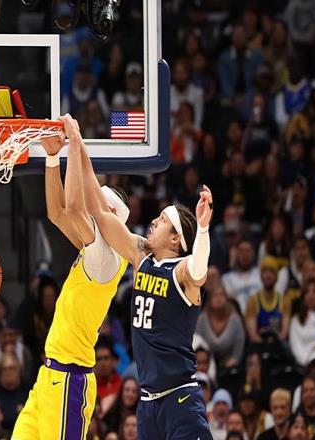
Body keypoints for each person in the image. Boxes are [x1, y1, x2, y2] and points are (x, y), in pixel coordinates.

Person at [75, 111, 213, 437]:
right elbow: (100, 213)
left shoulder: (182, 272)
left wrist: (203, 229)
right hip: (148, 403)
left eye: (162, 221)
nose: (153, 221)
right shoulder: (141, 256)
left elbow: (199, 270)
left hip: (180, 399)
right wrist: (79, 147)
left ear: (176, 239)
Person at [12, 114, 129, 439]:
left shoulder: (107, 257)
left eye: (98, 205)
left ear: (111, 216)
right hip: (49, 376)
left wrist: (75, 144)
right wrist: (52, 158)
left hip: (70, 380)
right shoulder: (93, 248)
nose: (92, 208)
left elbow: (75, 209)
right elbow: (57, 214)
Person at [196, 281, 246, 369]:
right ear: (209, 300)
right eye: (215, 295)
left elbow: (240, 343)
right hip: (206, 366)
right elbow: (197, 343)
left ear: (226, 298)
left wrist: (234, 360)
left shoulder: (235, 319)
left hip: (231, 366)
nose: (219, 298)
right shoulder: (202, 319)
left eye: (222, 295)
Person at [288, 281, 315, 366]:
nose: (311, 296)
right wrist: (308, 361)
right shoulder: (296, 319)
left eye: (314, 292)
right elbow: (295, 344)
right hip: (305, 363)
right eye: (307, 292)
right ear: (303, 296)